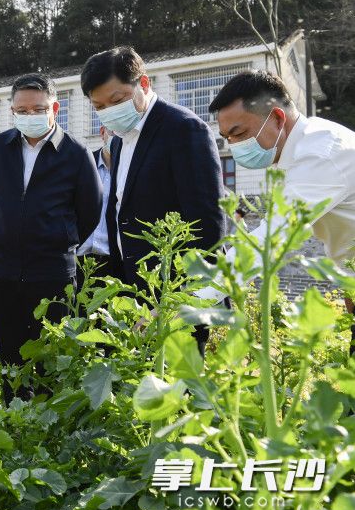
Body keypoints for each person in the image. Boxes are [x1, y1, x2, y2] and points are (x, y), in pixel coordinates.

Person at [80, 46, 226, 355]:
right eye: (99, 106)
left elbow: (207, 226)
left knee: (177, 392)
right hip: (136, 291)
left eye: (117, 100)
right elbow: (119, 210)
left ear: (143, 85)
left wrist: (174, 301)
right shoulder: (120, 140)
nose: (108, 111)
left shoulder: (184, 130)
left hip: (176, 296)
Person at [205, 69, 355, 355]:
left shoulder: (321, 155)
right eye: (227, 138)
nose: (235, 146)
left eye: (239, 133)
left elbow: (269, 240)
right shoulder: (295, 154)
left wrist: (186, 303)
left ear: (276, 117)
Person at [0, 73, 103, 403]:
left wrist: (60, 239)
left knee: (53, 358)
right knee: (11, 358)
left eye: (38, 109)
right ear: (12, 111)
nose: (29, 116)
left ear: (55, 108)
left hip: (53, 275)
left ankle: (51, 431)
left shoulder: (76, 153)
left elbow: (90, 210)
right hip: (4, 272)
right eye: (22, 110)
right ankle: (16, 422)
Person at [76, 125, 114, 290]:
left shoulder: (133, 171)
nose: (118, 137)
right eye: (113, 131)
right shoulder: (83, 164)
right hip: (78, 258)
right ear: (102, 132)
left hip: (113, 263)